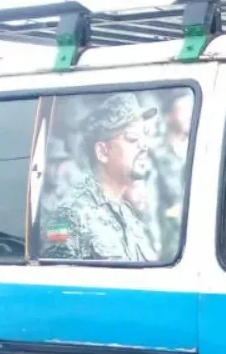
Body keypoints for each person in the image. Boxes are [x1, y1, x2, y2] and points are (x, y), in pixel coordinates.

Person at [39, 93, 161, 262]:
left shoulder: (127, 214)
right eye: (133, 137)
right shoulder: (68, 215)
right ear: (103, 152)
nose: (144, 145)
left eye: (145, 135)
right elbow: (58, 281)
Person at [148, 90, 193, 259]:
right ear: (169, 117)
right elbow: (149, 205)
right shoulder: (156, 155)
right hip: (170, 245)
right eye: (183, 110)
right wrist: (155, 245)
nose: (189, 115)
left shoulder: (202, 150)